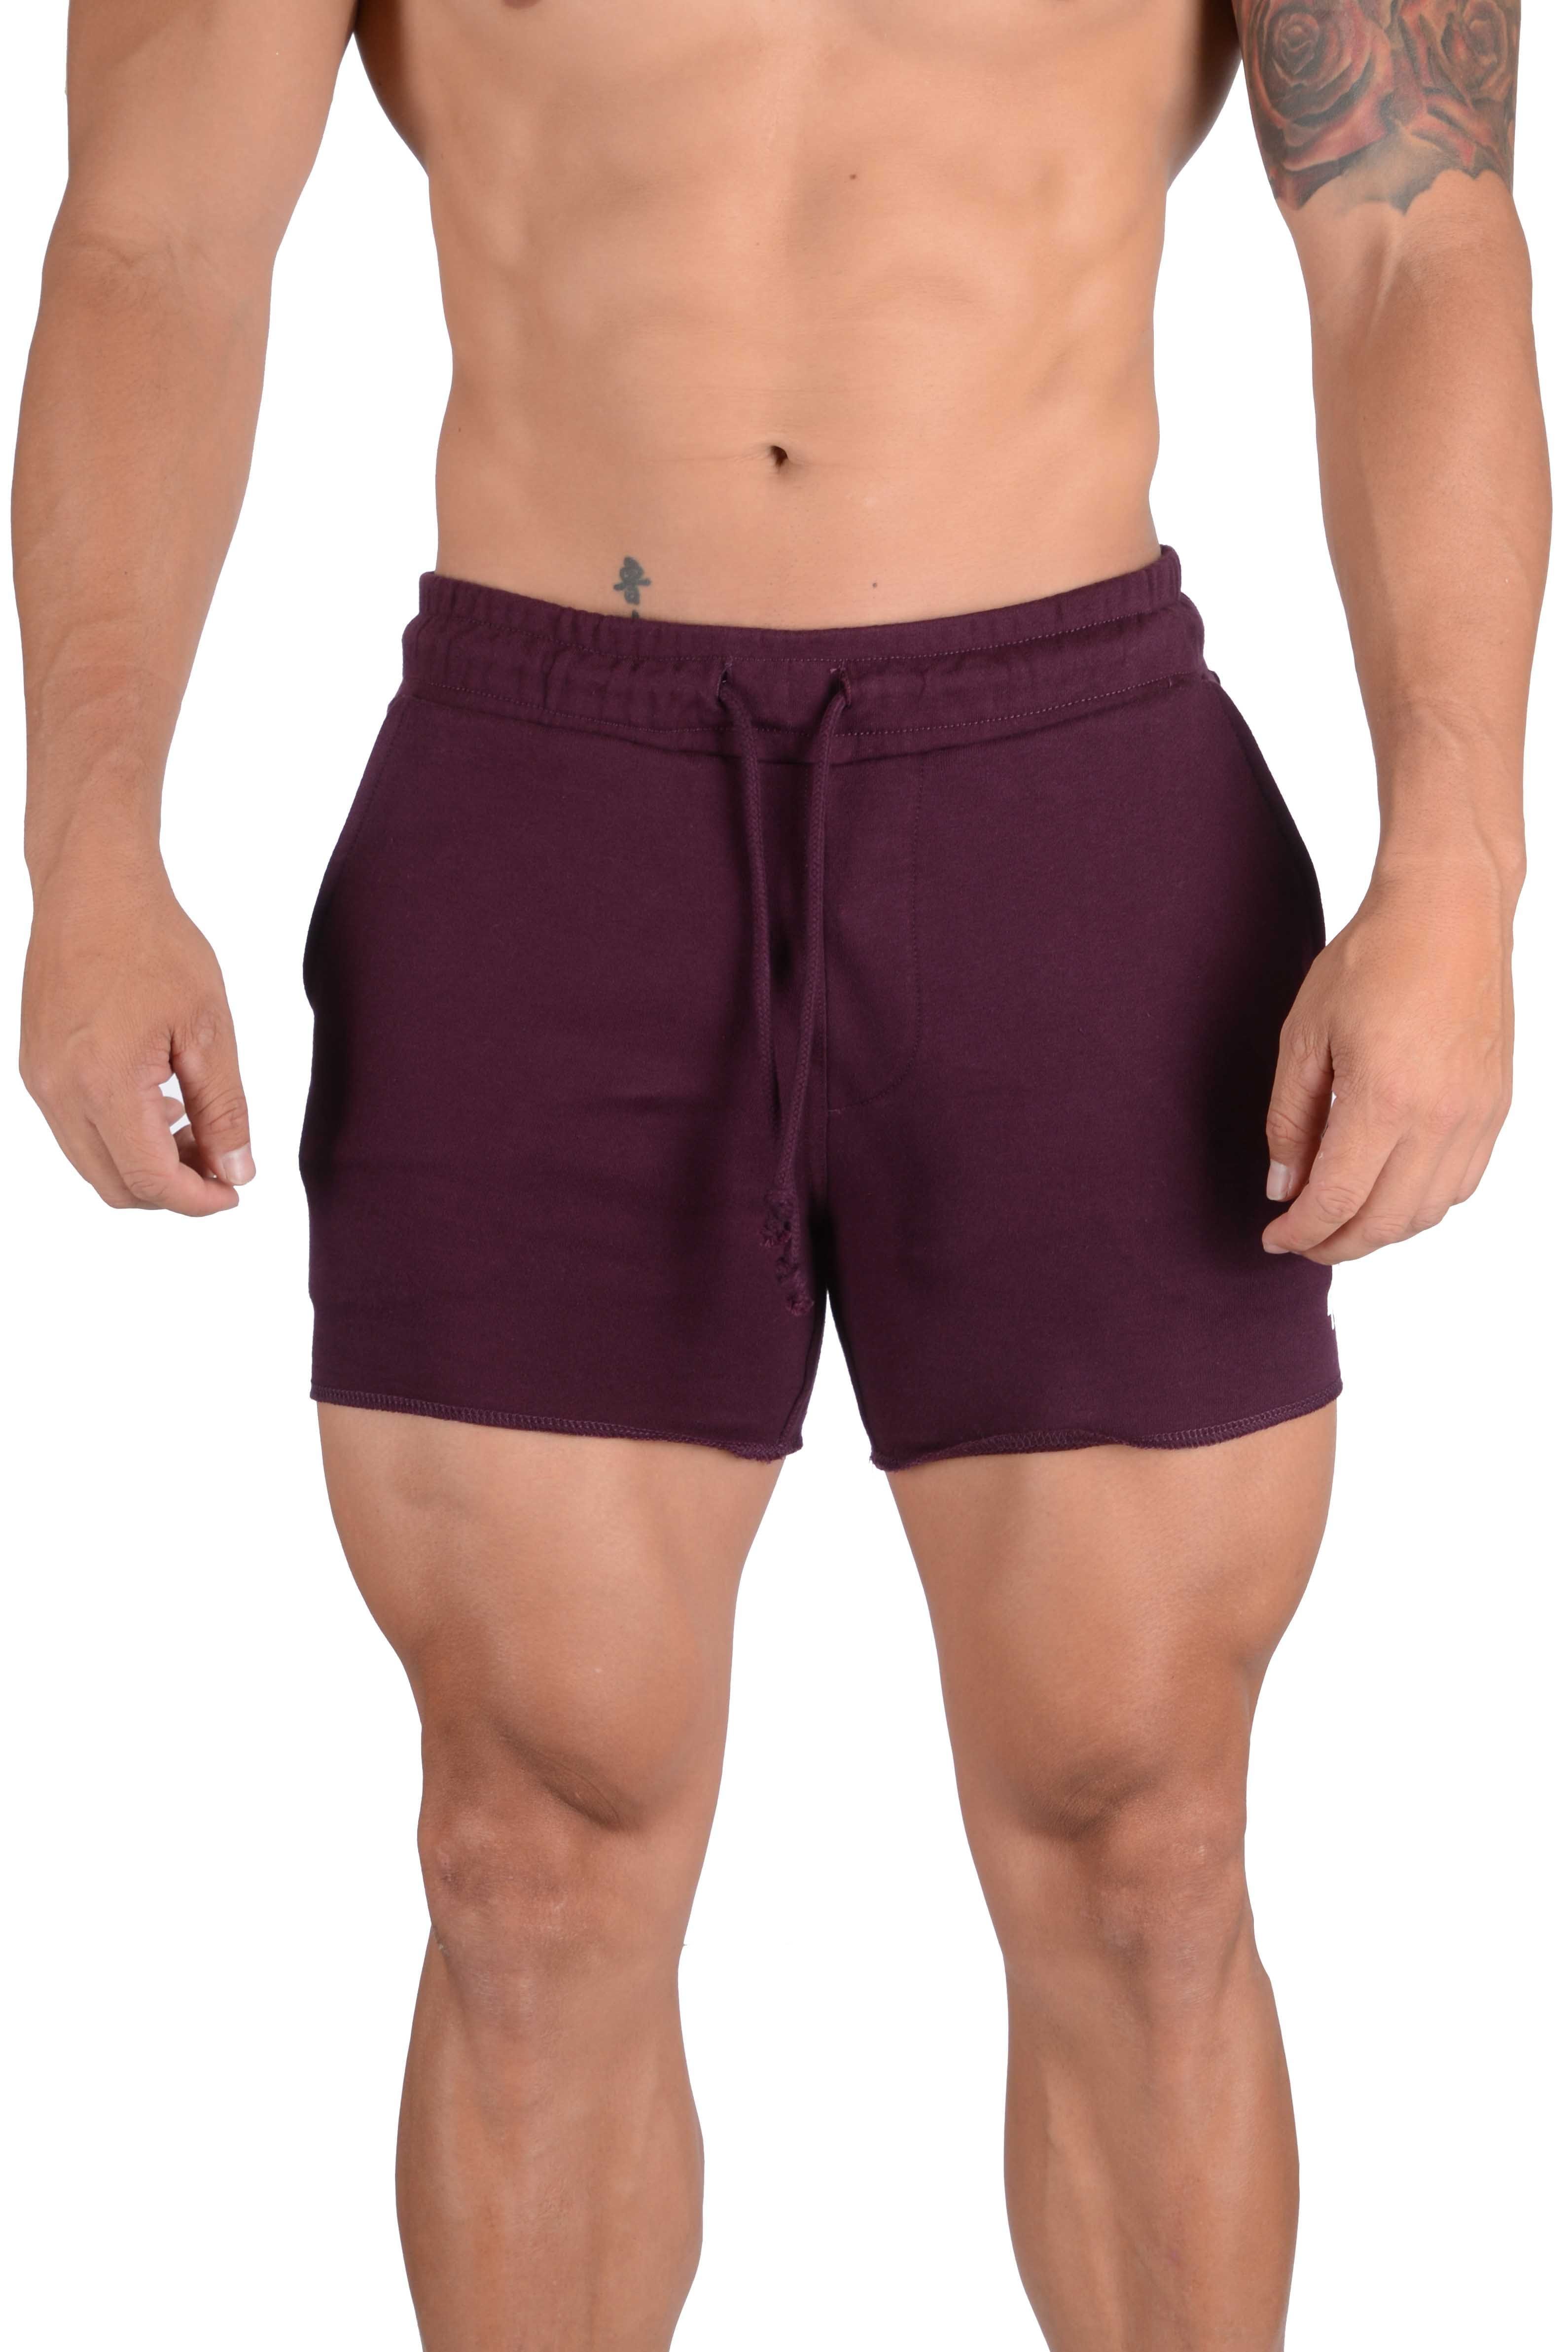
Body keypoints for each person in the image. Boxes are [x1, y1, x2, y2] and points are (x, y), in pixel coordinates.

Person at [13, 1, 1546, 2344]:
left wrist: (1459, 866)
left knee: (1149, 1848)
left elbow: (1421, 238)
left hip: (1068, 804)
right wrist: (90, 848)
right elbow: (152, 244)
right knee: (527, 1864)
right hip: (554, 816)